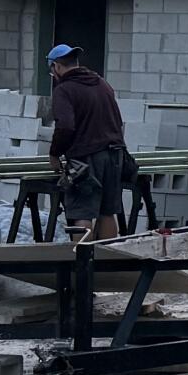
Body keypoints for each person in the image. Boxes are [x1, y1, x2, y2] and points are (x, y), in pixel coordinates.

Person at [47, 43, 130, 241]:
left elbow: (65, 126)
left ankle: (82, 267)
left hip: (87, 159)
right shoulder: (102, 84)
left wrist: (55, 154)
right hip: (115, 155)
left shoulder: (64, 90)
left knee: (82, 214)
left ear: (57, 67)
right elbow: (117, 121)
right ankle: (107, 266)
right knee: (107, 212)